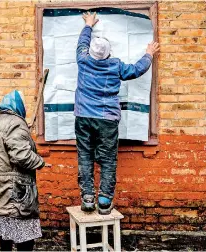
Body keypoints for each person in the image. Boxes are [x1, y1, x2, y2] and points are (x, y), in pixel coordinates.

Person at [75, 12, 160, 214]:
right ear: (108, 53)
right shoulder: (115, 66)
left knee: (85, 155)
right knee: (107, 158)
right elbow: (136, 70)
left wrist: (88, 25)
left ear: (91, 52)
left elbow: (81, 42)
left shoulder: (83, 59)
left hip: (84, 117)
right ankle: (104, 201)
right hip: (107, 119)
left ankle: (88, 199)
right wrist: (149, 53)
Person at [0, 90, 45, 251]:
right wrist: (40, 162)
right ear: (18, 105)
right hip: (14, 192)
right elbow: (21, 156)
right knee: (25, 239)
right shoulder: (16, 123)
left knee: (6, 235)